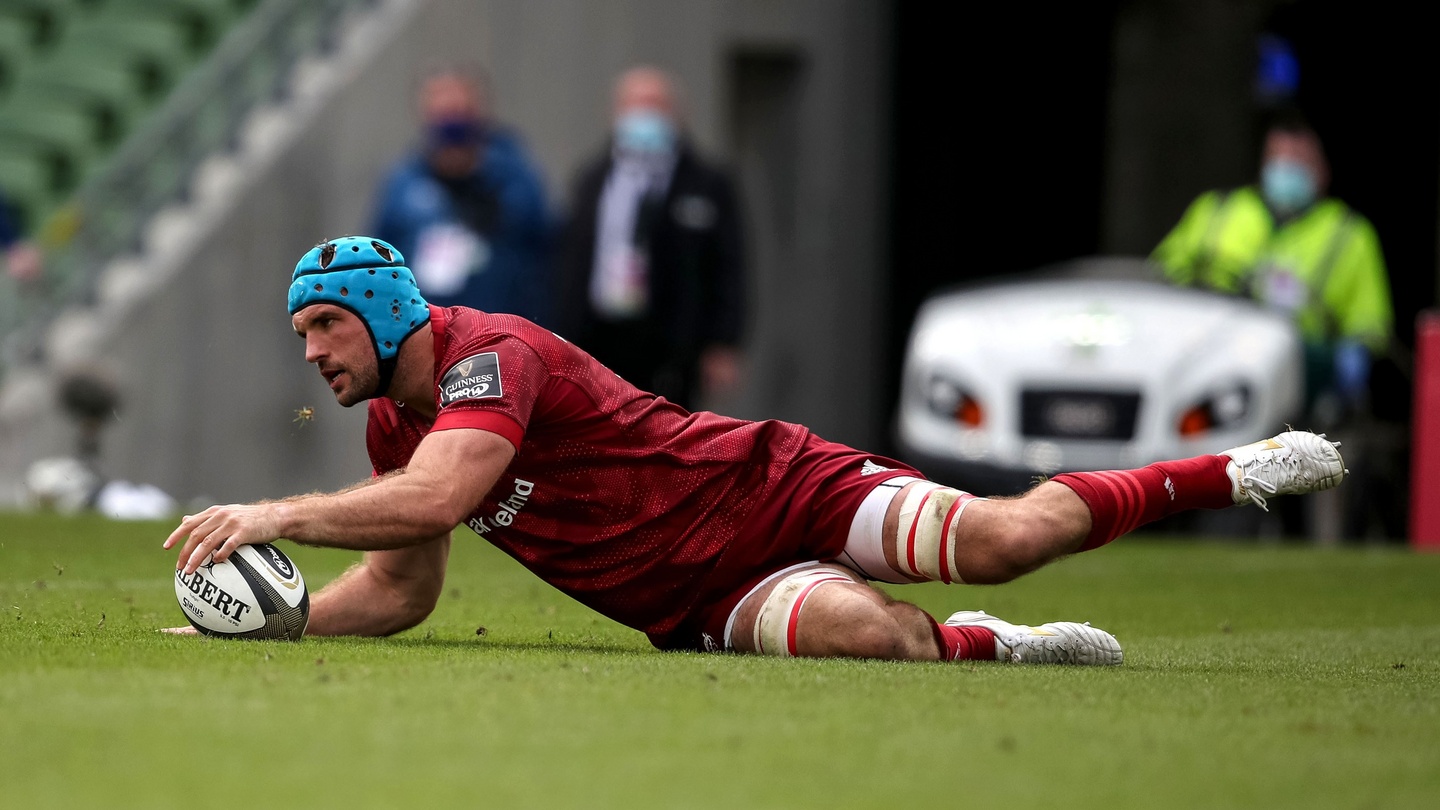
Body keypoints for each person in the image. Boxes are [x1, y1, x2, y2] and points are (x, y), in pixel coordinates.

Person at [163, 236, 1348, 665]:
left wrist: (268, 518)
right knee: (867, 637)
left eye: (323, 326)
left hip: (771, 483)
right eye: (300, 333)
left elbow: (445, 494)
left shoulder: (489, 355)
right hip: (697, 598)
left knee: (1005, 535)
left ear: (381, 310)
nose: (310, 352)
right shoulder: (390, 423)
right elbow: (402, 583)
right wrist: (278, 621)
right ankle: (988, 652)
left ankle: (1229, 470)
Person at [1151, 113, 1393, 418]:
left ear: (1323, 169)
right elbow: (1159, 275)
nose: (1286, 169)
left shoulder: (1349, 233)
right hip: (1202, 349)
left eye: (1299, 160)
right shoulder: (1216, 209)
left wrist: (1354, 354)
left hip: (1296, 370)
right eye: (1279, 158)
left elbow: (1370, 323)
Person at [556, 66, 744, 410]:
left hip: (670, 340)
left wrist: (723, 342)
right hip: (602, 332)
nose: (644, 116)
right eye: (635, 105)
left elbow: (728, 265)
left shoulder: (706, 183)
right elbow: (573, 259)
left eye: (655, 105)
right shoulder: (594, 177)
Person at [370, 68, 552, 325]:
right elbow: (380, 259)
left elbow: (546, 253)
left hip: (501, 330)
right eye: (443, 114)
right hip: (426, 332)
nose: (452, 125)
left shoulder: (513, 178)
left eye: (459, 112)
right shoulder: (405, 183)